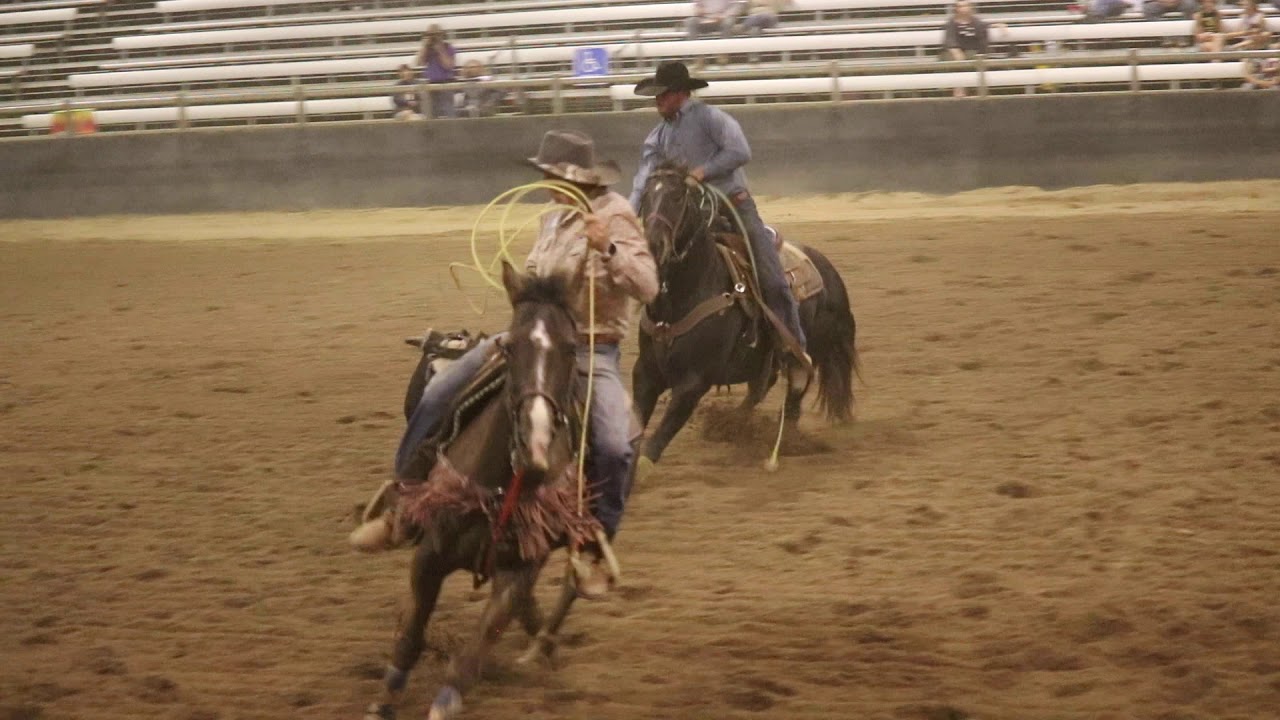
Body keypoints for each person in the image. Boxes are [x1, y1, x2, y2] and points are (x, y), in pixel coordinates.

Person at [351, 130, 659, 597]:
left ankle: (594, 543)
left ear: (573, 177)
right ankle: (402, 506)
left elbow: (648, 286)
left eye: (551, 176)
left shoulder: (616, 217)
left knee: (616, 446)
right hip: (530, 338)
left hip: (590, 348)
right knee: (439, 392)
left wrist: (608, 249)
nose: (545, 184)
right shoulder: (553, 217)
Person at [629, 61, 811, 374]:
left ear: (683, 94)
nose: (658, 100)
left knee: (771, 277)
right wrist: (629, 214)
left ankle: (794, 347)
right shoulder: (657, 137)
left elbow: (740, 151)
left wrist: (702, 172)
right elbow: (644, 179)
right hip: (688, 216)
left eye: (664, 94)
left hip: (733, 206)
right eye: (656, 95)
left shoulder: (711, 118)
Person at [415, 24, 458, 118]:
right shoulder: (427, 49)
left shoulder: (448, 47)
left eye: (436, 34)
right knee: (431, 112)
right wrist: (425, 46)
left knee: (448, 110)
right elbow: (419, 63)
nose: (434, 37)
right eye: (430, 35)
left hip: (446, 83)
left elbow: (448, 66)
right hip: (431, 83)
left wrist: (440, 50)